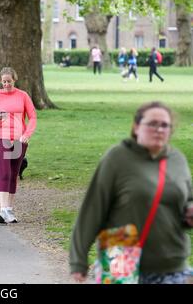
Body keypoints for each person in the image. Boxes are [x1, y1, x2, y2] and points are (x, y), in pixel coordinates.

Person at [70, 101, 193, 284]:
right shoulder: (117, 158)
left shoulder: (177, 160)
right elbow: (93, 208)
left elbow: (187, 200)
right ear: (136, 127)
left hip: (172, 265)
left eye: (165, 125)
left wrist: (189, 211)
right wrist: (78, 262)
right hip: (122, 263)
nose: (159, 129)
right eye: (152, 124)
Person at [0, 67, 37, 224]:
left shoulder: (23, 96)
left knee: (14, 173)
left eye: (9, 81)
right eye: (4, 82)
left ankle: (9, 209)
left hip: (19, 140)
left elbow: (33, 117)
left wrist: (26, 135)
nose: (6, 84)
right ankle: (2, 210)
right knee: (5, 171)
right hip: (0, 138)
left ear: (14, 80)